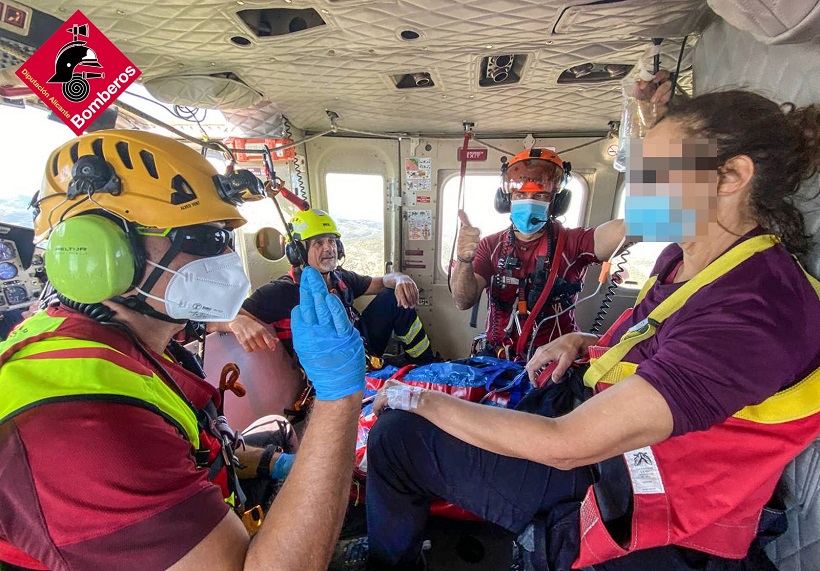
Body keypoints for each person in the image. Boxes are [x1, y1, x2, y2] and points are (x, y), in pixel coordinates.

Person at [364, 91, 820, 570]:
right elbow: (655, 345)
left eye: (656, 170)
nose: (639, 189)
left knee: (397, 437)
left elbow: (567, 444)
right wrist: (584, 342)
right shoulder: (686, 261)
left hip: (630, 482)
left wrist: (419, 399)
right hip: (596, 422)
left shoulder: (757, 308)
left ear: (732, 177)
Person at [0, 130, 366, 570]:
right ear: (105, 250)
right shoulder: (84, 427)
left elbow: (190, 449)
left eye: (224, 241)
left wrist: (272, 463)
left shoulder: (130, 340)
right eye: (202, 240)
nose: (225, 262)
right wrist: (339, 398)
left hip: (211, 511)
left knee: (279, 430)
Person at [452, 72, 674, 361]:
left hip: (556, 362)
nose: (529, 202)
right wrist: (464, 261)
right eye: (520, 196)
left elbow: (650, 217)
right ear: (507, 200)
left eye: (540, 196)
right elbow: (462, 300)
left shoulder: (574, 242)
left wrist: (657, 125)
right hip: (498, 359)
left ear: (557, 202)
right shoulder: (490, 245)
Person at [219, 208, 436, 365]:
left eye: (332, 241)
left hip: (362, 347)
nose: (329, 248)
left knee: (392, 297)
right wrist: (235, 322)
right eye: (318, 243)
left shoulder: (340, 278)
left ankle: (426, 364)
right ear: (298, 252)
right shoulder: (282, 291)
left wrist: (400, 279)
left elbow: (381, 282)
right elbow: (215, 320)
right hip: (331, 365)